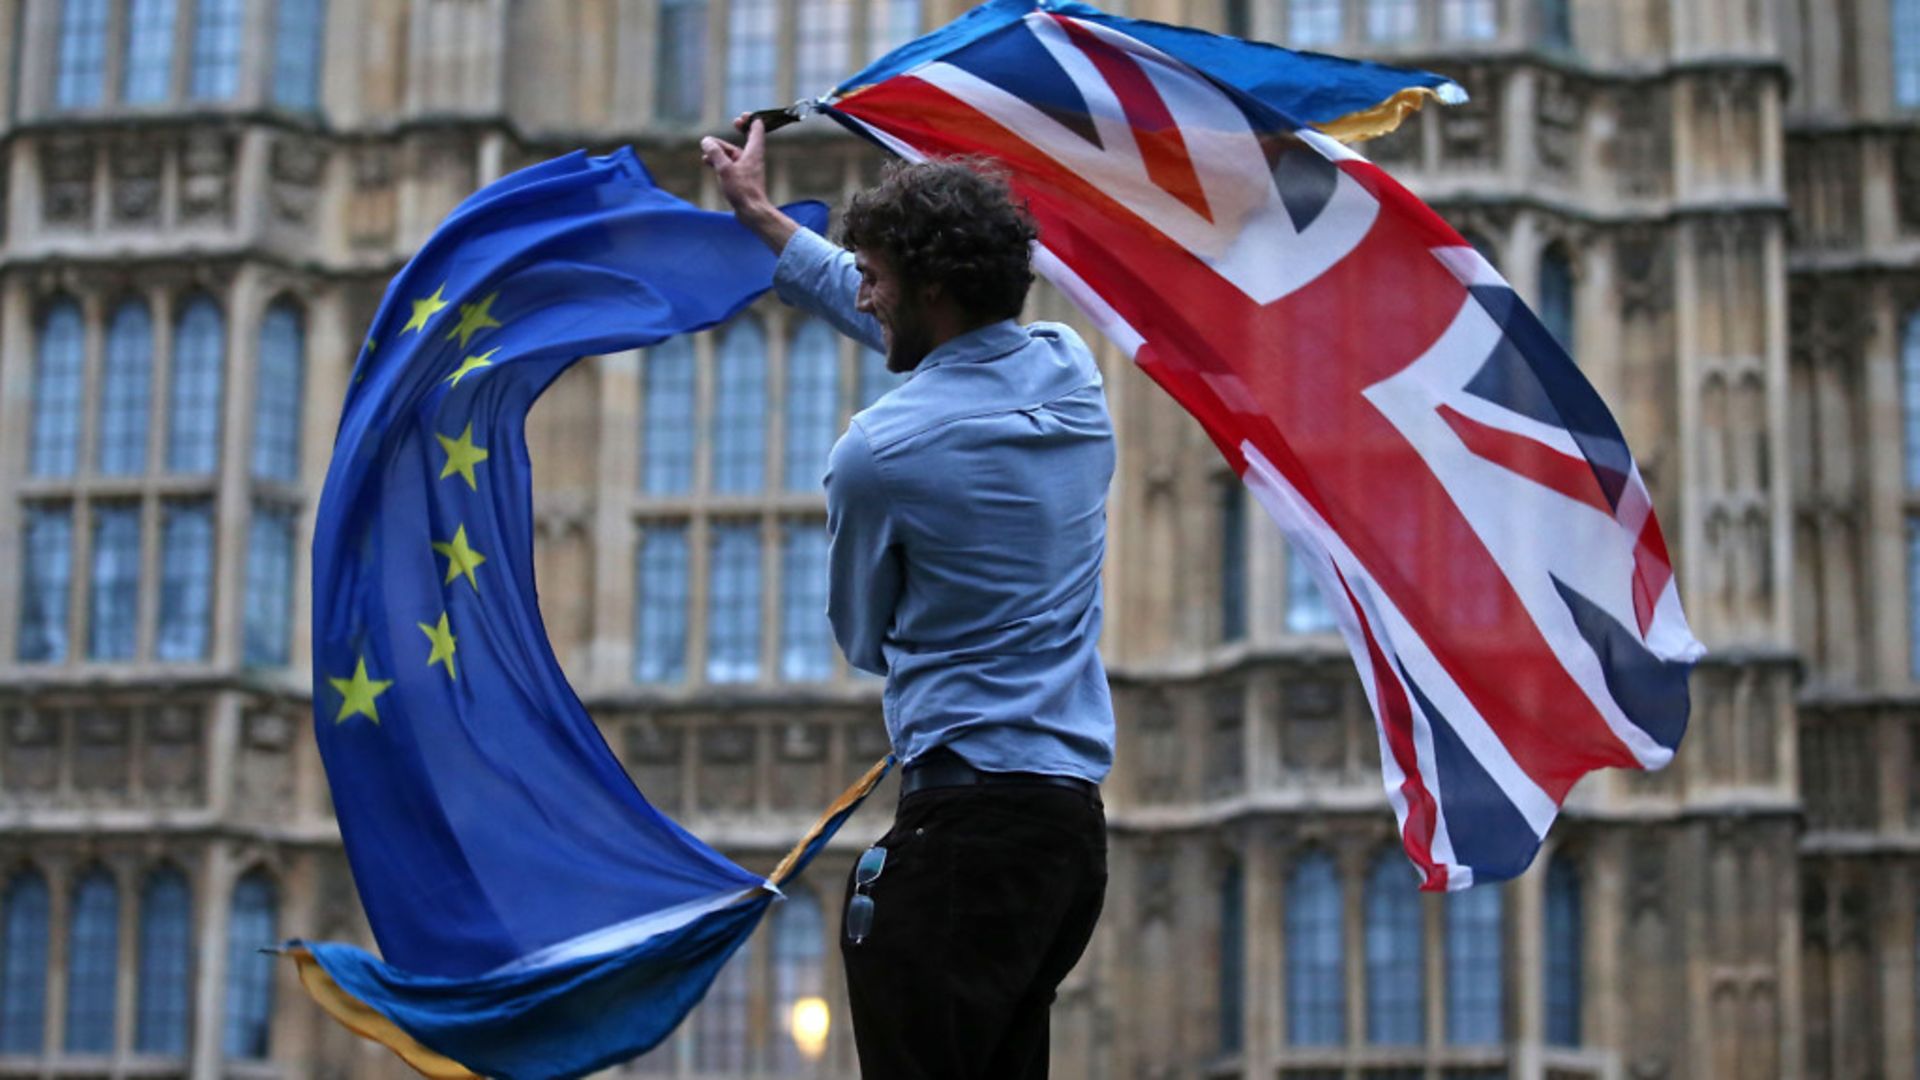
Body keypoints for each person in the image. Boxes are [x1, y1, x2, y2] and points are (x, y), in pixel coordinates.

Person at [701, 118, 1115, 1079]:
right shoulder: (1071, 373)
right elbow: (937, 342)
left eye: (875, 276)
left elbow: (861, 636)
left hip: (960, 835)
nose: (866, 295)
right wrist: (766, 221)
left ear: (928, 289)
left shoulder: (878, 453)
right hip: (1064, 841)